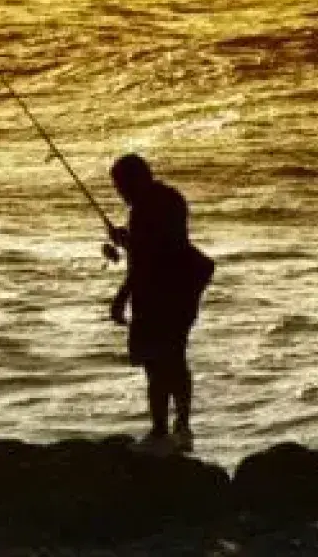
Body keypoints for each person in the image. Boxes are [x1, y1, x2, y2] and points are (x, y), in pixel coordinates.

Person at [106, 154, 214, 454]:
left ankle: (159, 433)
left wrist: (120, 299)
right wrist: (128, 241)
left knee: (155, 362)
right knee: (176, 357)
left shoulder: (142, 210)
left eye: (121, 185)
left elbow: (146, 261)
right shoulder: (171, 198)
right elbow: (163, 245)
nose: (120, 193)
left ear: (135, 180)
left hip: (160, 293)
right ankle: (183, 428)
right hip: (185, 288)